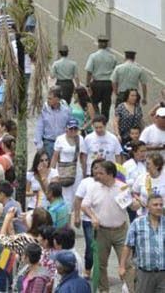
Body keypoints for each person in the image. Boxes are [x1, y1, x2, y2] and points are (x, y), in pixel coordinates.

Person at [81, 160, 129, 292]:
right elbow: (84, 205)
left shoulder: (122, 187)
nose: (97, 175)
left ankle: (130, 288)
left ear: (110, 174)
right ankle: (103, 290)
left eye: (101, 173)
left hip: (121, 231)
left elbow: (133, 206)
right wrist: (93, 216)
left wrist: (136, 202)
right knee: (100, 265)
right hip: (101, 231)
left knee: (127, 264)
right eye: (96, 173)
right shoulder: (93, 187)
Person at [120, 193, 165, 292]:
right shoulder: (137, 223)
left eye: (161, 205)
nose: (159, 207)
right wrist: (122, 266)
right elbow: (127, 246)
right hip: (144, 273)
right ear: (148, 207)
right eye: (155, 205)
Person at [35, 87, 71, 159]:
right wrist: (39, 144)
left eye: (50, 98)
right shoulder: (44, 110)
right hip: (49, 143)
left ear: (57, 99)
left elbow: (69, 125)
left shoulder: (66, 110)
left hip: (62, 143)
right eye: (48, 98)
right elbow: (39, 127)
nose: (48, 101)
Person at [86, 35, 117, 119]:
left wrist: (88, 85)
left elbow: (89, 71)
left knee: (93, 101)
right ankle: (104, 121)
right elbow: (115, 72)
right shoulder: (113, 57)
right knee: (106, 104)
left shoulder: (93, 56)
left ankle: (96, 116)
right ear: (106, 45)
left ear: (98, 44)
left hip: (96, 83)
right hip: (108, 84)